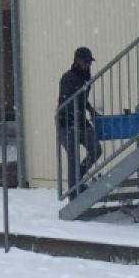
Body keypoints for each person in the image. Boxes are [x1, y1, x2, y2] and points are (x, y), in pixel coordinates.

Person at [55, 46, 100, 197]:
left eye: (90, 62)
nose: (88, 64)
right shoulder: (69, 78)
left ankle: (77, 181)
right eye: (85, 62)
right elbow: (69, 101)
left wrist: (90, 109)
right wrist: (81, 122)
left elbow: (81, 100)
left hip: (79, 121)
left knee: (96, 149)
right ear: (77, 61)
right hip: (66, 123)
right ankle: (74, 193)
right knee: (73, 157)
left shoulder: (86, 76)